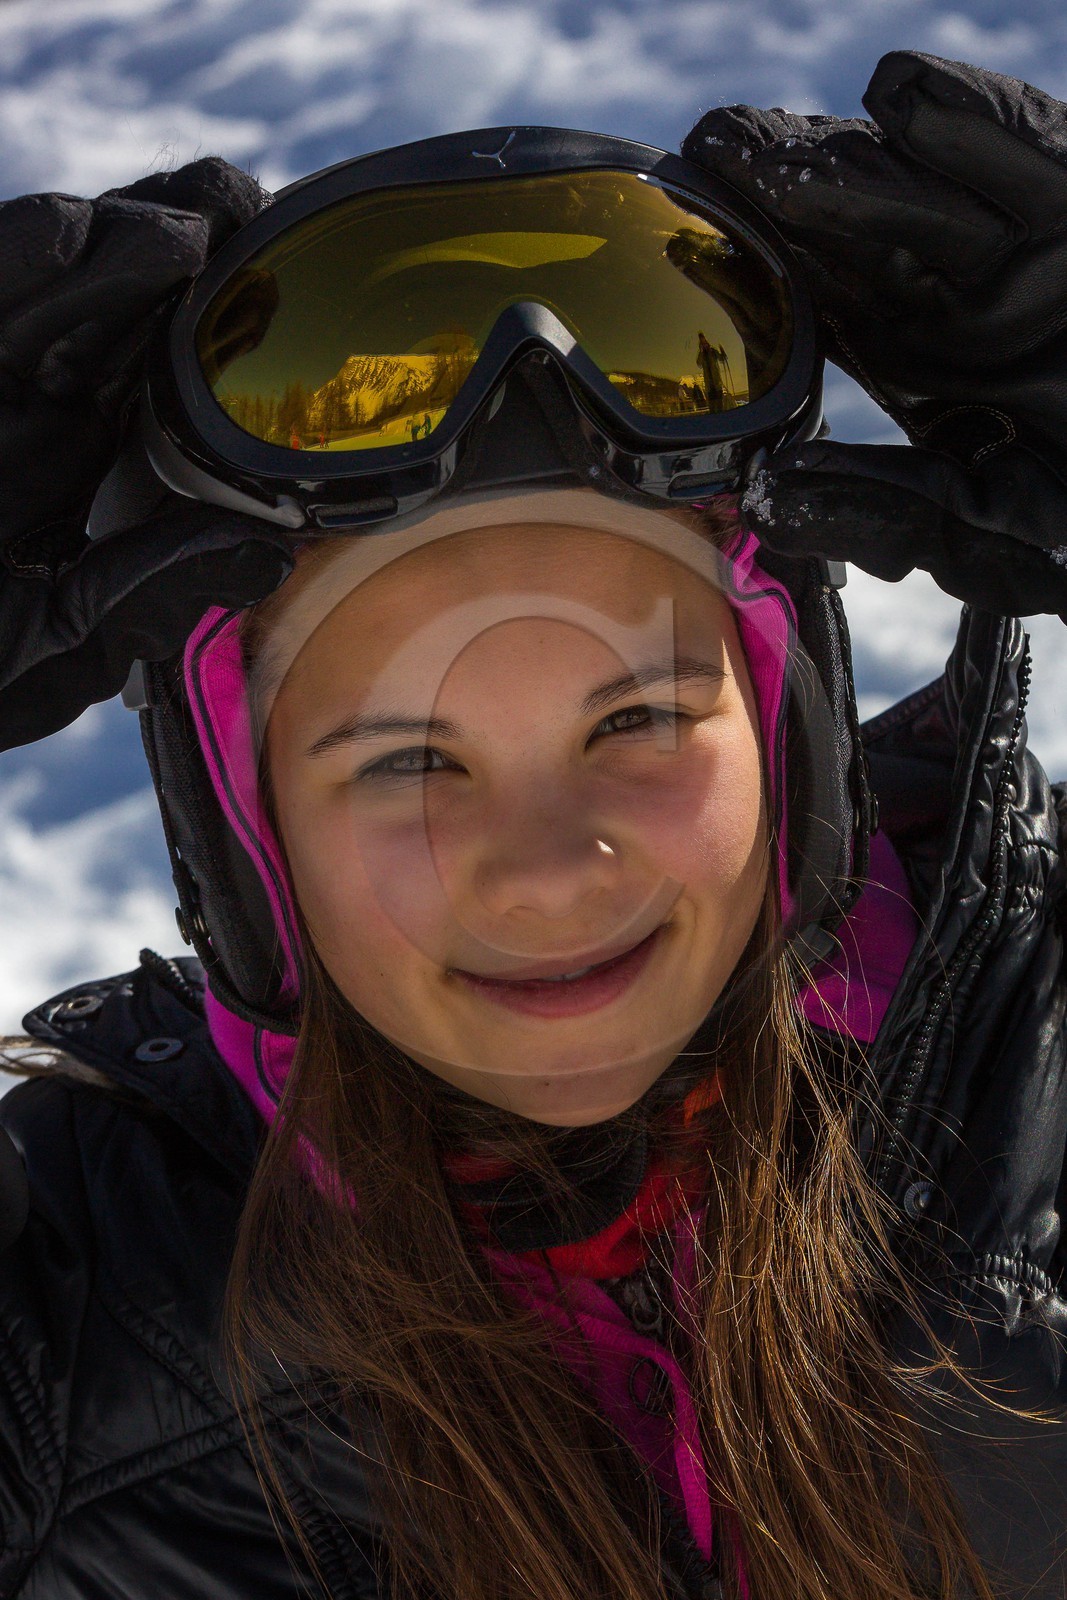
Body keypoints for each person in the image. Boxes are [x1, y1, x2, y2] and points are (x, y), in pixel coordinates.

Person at [0, 48, 1065, 1600]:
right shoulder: (70, 1316)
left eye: (636, 719)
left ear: (786, 727)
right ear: (249, 833)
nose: (556, 867)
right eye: (407, 763)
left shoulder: (1036, 1059)